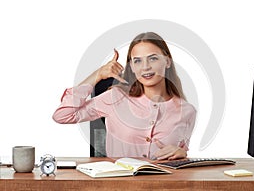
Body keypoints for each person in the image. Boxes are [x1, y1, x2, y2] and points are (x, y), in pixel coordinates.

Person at [53, 32, 196, 160]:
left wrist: (181, 153)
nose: (145, 67)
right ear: (132, 67)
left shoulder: (187, 111)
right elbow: (63, 115)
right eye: (138, 61)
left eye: (152, 59)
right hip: (119, 185)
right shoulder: (116, 97)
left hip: (163, 186)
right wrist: (97, 75)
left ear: (167, 61)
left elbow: (180, 154)